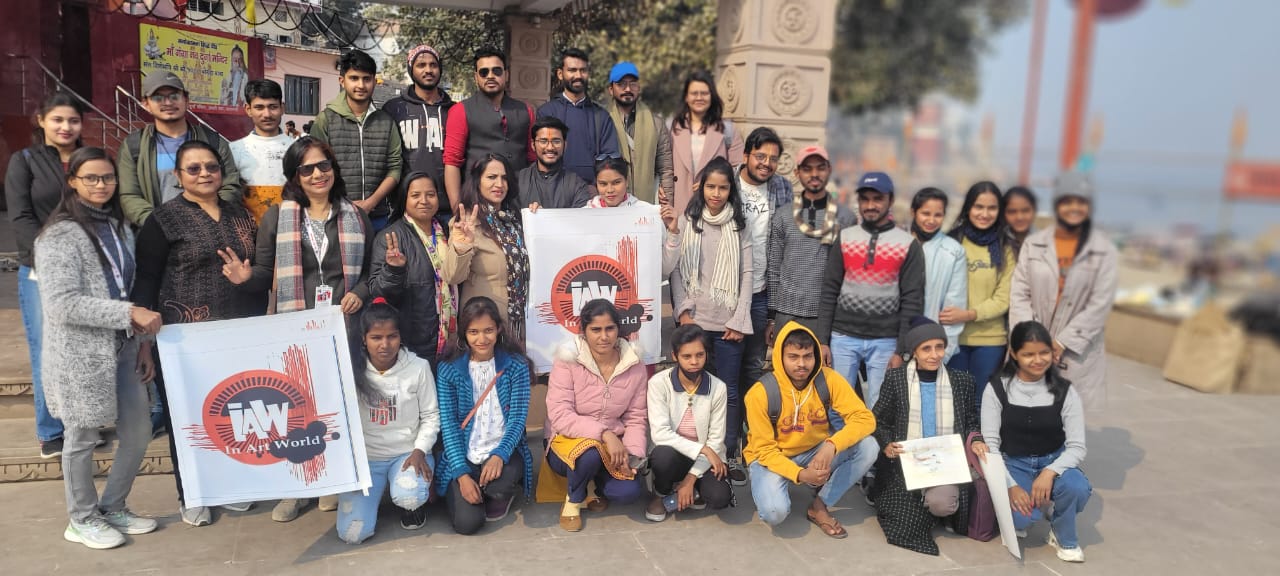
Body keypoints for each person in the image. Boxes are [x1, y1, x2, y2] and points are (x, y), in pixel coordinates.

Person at [222, 137, 373, 521]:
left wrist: (360, 292)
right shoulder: (278, 216)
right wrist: (246, 278)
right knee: (295, 407)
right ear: (294, 176)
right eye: (307, 169)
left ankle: (332, 480)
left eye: (324, 165)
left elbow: (372, 272)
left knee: (337, 404)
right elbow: (264, 271)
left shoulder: (355, 215)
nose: (318, 174)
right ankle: (299, 486)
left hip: (343, 327)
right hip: (296, 329)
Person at [35, 147, 162, 549]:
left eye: (107, 177)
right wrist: (129, 314)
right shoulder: (59, 235)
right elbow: (62, 304)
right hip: (80, 353)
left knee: (138, 432)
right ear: (72, 181)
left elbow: (128, 287)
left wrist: (143, 344)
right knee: (82, 436)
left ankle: (113, 506)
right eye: (90, 177)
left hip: (124, 348)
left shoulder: (119, 226)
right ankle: (81, 517)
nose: (101, 185)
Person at [134, 140, 266, 526]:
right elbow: (146, 281)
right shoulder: (163, 220)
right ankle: (192, 493)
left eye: (211, 166)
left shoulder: (240, 214)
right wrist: (144, 341)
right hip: (182, 339)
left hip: (237, 332)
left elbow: (256, 267)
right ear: (178, 176)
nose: (204, 174)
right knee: (187, 417)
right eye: (193, 169)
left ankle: (232, 485)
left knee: (234, 412)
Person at [744, 321, 879, 537]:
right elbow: (764, 450)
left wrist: (832, 445)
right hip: (772, 457)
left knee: (869, 446)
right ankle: (775, 485)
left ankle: (820, 505)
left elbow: (865, 419)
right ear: (780, 357)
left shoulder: (828, 379)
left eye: (807, 356)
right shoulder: (760, 393)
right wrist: (800, 474)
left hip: (814, 450)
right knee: (774, 513)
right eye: (793, 357)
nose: (802, 364)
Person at [6, 92, 83, 458]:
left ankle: (80, 424)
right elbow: (20, 216)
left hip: (86, 267)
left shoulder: (90, 159)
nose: (66, 127)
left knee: (82, 347)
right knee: (47, 349)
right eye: (58, 120)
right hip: (41, 269)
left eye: (73, 120)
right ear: (41, 121)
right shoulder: (24, 161)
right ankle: (51, 430)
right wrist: (50, 258)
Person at [670, 157, 753, 485]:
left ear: (731, 190)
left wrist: (739, 318)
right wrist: (683, 313)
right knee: (693, 393)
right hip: (696, 322)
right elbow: (676, 269)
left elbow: (747, 273)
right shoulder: (688, 221)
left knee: (729, 393)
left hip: (729, 326)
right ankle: (691, 454)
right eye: (710, 187)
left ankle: (728, 454)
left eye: (723, 188)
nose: (716, 194)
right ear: (701, 188)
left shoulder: (739, 226)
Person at [871, 317, 985, 555]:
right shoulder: (896, 379)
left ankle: (932, 506)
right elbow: (878, 420)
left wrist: (976, 440)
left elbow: (972, 421)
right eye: (926, 349)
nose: (934, 355)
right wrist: (887, 444)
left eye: (939, 347)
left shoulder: (962, 381)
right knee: (903, 523)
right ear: (914, 351)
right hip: (905, 462)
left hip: (945, 463)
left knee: (942, 505)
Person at [983, 320, 1092, 563]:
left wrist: (1050, 472)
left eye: (1044, 352)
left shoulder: (1065, 391)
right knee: (1021, 520)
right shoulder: (996, 388)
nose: (1038, 360)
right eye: (1028, 354)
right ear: (1014, 354)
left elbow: (1077, 447)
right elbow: (990, 444)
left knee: (1077, 487)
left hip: (1053, 460)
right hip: (1014, 462)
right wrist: (1010, 486)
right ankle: (1034, 504)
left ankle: (1062, 534)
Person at [817, 171, 924, 413]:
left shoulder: (907, 244)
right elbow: (829, 290)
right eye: (865, 199)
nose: (870, 205)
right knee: (837, 406)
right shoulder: (845, 238)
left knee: (880, 408)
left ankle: (874, 442)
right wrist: (823, 340)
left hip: (885, 341)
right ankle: (842, 442)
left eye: (877, 199)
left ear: (890, 200)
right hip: (843, 337)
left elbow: (912, 301)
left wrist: (901, 350)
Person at [1009, 172, 1117, 413]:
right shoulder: (1034, 244)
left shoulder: (1103, 250)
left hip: (1075, 351)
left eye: (1081, 202)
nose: (1074, 208)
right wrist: (1030, 338)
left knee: (1068, 417)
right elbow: (1020, 294)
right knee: (1028, 414)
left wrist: (1061, 342)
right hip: (1032, 345)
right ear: (1057, 204)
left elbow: (1100, 304)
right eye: (1067, 201)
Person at [543, 299, 650, 532]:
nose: (604, 337)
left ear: (618, 329)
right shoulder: (567, 361)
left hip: (612, 447)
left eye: (609, 328)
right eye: (596, 330)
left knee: (628, 492)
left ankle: (595, 485)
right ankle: (574, 499)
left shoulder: (634, 364)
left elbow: (636, 417)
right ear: (583, 331)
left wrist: (632, 456)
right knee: (589, 454)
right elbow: (560, 415)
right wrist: (604, 434)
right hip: (567, 442)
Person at [337, 298, 439, 543]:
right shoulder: (350, 369)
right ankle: (374, 495)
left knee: (409, 496)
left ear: (400, 337)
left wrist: (419, 450)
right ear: (364, 339)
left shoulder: (418, 367)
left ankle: (410, 504)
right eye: (376, 337)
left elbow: (431, 415)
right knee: (352, 534)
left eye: (392, 336)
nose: (385, 344)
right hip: (367, 459)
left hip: (407, 455)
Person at [435, 296, 534, 535]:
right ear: (464, 333)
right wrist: (461, 474)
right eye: (474, 332)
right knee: (467, 524)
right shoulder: (448, 369)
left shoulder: (516, 365)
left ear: (498, 329)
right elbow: (449, 424)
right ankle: (471, 489)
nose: (482, 339)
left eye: (488, 330)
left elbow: (517, 419)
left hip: (504, 450)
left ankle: (498, 492)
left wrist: (500, 455)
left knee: (497, 487)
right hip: (465, 454)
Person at [118, 71, 241, 227]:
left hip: (209, 230)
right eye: (158, 98)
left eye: (174, 96)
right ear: (146, 104)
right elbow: (129, 195)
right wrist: (160, 224)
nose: (168, 103)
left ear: (186, 100)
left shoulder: (213, 142)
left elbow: (230, 186)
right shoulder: (135, 146)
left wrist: (207, 216)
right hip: (158, 233)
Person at [644, 324, 733, 522]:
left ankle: (690, 488)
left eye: (700, 355)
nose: (694, 362)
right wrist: (703, 449)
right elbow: (660, 434)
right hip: (674, 454)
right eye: (686, 356)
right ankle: (660, 494)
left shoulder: (718, 388)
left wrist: (691, 477)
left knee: (719, 497)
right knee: (663, 455)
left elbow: (716, 441)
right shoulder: (658, 383)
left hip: (705, 458)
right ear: (675, 356)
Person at [765, 145, 856, 336]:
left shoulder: (846, 217)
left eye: (820, 168)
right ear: (797, 173)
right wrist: (771, 316)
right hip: (786, 311)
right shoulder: (783, 215)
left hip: (826, 314)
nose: (814, 174)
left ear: (829, 170)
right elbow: (774, 268)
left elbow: (849, 272)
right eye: (807, 169)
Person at [309, 50, 403, 232]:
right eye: (354, 78)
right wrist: (342, 204)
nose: (361, 85)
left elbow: (395, 167)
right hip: (336, 215)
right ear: (342, 81)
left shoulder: (386, 121)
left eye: (366, 79)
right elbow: (316, 168)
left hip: (378, 217)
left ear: (374, 81)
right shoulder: (326, 119)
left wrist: (371, 202)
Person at [369, 172, 456, 367]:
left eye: (430, 194)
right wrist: (393, 270)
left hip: (451, 339)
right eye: (415, 195)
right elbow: (378, 294)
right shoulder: (390, 237)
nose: (424, 201)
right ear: (404, 199)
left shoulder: (449, 232)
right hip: (414, 342)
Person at [440, 155, 530, 344]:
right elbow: (452, 276)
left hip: (518, 325)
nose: (499, 184)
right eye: (491, 177)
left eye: (504, 178)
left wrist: (536, 218)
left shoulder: (515, 221)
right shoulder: (466, 223)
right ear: (477, 181)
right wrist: (462, 247)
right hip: (483, 328)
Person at [736, 127, 794, 410]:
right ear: (746, 155)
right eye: (760, 156)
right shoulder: (725, 181)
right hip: (728, 291)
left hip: (760, 292)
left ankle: (751, 426)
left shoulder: (782, 187)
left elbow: (784, 244)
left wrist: (773, 313)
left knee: (753, 365)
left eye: (773, 159)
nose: (766, 163)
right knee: (722, 362)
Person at [943, 182, 1014, 406]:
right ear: (968, 208)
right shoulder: (950, 241)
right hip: (952, 337)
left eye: (991, 208)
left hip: (990, 340)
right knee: (952, 403)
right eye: (978, 207)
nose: (984, 214)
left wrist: (968, 314)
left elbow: (1003, 298)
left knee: (982, 404)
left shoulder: (1006, 247)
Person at [443, 47, 536, 213]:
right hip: (477, 204)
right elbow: (452, 163)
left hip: (520, 202)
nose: (490, 76)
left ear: (506, 74)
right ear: (476, 77)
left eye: (496, 71)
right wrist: (457, 209)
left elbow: (533, 159)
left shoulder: (525, 110)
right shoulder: (460, 111)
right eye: (484, 72)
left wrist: (534, 198)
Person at [382, 44, 455, 228]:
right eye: (421, 65)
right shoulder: (394, 109)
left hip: (448, 210)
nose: (428, 70)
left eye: (433, 65)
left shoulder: (454, 110)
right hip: (407, 210)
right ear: (411, 69)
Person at [586, 157, 683, 277]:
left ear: (627, 181)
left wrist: (673, 232)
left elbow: (665, 268)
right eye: (603, 184)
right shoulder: (584, 216)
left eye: (616, 182)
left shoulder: (647, 214)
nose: (610, 190)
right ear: (596, 183)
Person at [537, 48, 620, 184]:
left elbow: (610, 160)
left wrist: (597, 187)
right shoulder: (547, 112)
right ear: (560, 74)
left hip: (591, 192)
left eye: (583, 70)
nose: (578, 75)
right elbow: (541, 156)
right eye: (572, 70)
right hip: (553, 189)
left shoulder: (601, 116)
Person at [668, 70, 744, 219]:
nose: (699, 98)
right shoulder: (671, 127)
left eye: (704, 93)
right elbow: (662, 165)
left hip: (714, 207)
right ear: (686, 97)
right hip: (678, 204)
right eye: (694, 93)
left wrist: (712, 182)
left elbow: (739, 169)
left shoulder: (727, 130)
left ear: (712, 96)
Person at [602, 61, 673, 205]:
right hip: (609, 207)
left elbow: (665, 169)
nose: (628, 89)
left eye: (633, 83)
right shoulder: (601, 120)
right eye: (621, 84)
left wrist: (667, 204)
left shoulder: (656, 123)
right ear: (611, 89)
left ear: (639, 88)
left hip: (645, 207)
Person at [910, 187, 966, 363]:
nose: (931, 220)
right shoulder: (899, 244)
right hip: (892, 343)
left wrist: (944, 353)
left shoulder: (953, 251)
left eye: (938, 215)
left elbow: (953, 306)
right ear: (913, 212)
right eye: (925, 213)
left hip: (931, 346)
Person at [230, 79, 293, 222]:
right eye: (259, 107)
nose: (267, 114)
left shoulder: (297, 148)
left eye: (273, 107)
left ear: (282, 108)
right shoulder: (235, 150)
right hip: (248, 231)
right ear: (248, 109)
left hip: (291, 229)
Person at [516, 116, 593, 209]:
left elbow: (581, 217)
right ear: (533, 145)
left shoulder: (576, 184)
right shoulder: (518, 181)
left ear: (565, 145)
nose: (550, 147)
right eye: (543, 141)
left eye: (556, 141)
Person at [1003, 185, 1038, 257]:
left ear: (1034, 210)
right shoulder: (996, 242)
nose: (1019, 217)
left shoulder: (1046, 242)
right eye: (1012, 211)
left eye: (1025, 211)